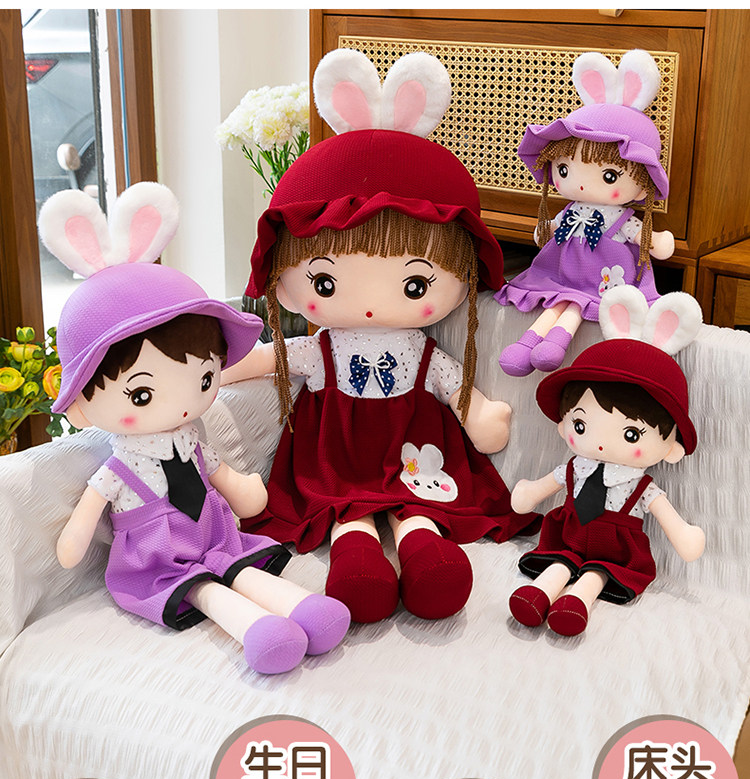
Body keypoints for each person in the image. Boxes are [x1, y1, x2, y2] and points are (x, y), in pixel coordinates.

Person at [223, 49, 538, 624]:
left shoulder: (421, 350)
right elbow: (272, 358)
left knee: (420, 503)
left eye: (416, 284)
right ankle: (358, 553)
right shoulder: (321, 349)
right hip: (335, 453)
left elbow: (449, 380)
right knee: (348, 511)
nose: (370, 306)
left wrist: (477, 410)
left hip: (417, 447)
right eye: (324, 282)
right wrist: (222, 369)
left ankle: (421, 546)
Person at [40, 182, 350, 674]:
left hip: (213, 533)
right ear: (80, 406)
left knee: (239, 568)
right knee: (204, 590)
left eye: (205, 379)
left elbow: (219, 475)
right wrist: (74, 541)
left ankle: (301, 606)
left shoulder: (191, 441)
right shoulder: (117, 471)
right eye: (142, 395)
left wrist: (244, 491)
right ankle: (256, 630)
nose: (182, 403)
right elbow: (80, 529)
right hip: (157, 559)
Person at [508, 286, 705, 637]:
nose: (599, 443)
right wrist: (530, 493)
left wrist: (683, 534)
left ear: (670, 447)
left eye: (631, 434)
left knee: (596, 574)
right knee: (561, 562)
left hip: (616, 548)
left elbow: (664, 514)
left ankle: (577, 601)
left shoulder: (641, 486)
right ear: (564, 423)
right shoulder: (575, 468)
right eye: (580, 425)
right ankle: (539, 592)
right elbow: (546, 486)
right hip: (569, 535)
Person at [496, 49, 675, 376]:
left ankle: (554, 344)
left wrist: (656, 240)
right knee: (557, 301)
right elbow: (551, 230)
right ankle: (525, 345)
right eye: (564, 169)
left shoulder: (620, 219)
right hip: (561, 273)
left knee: (575, 306)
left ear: (641, 185)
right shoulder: (570, 210)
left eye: (609, 176)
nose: (577, 184)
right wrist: (546, 228)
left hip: (599, 279)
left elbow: (642, 237)